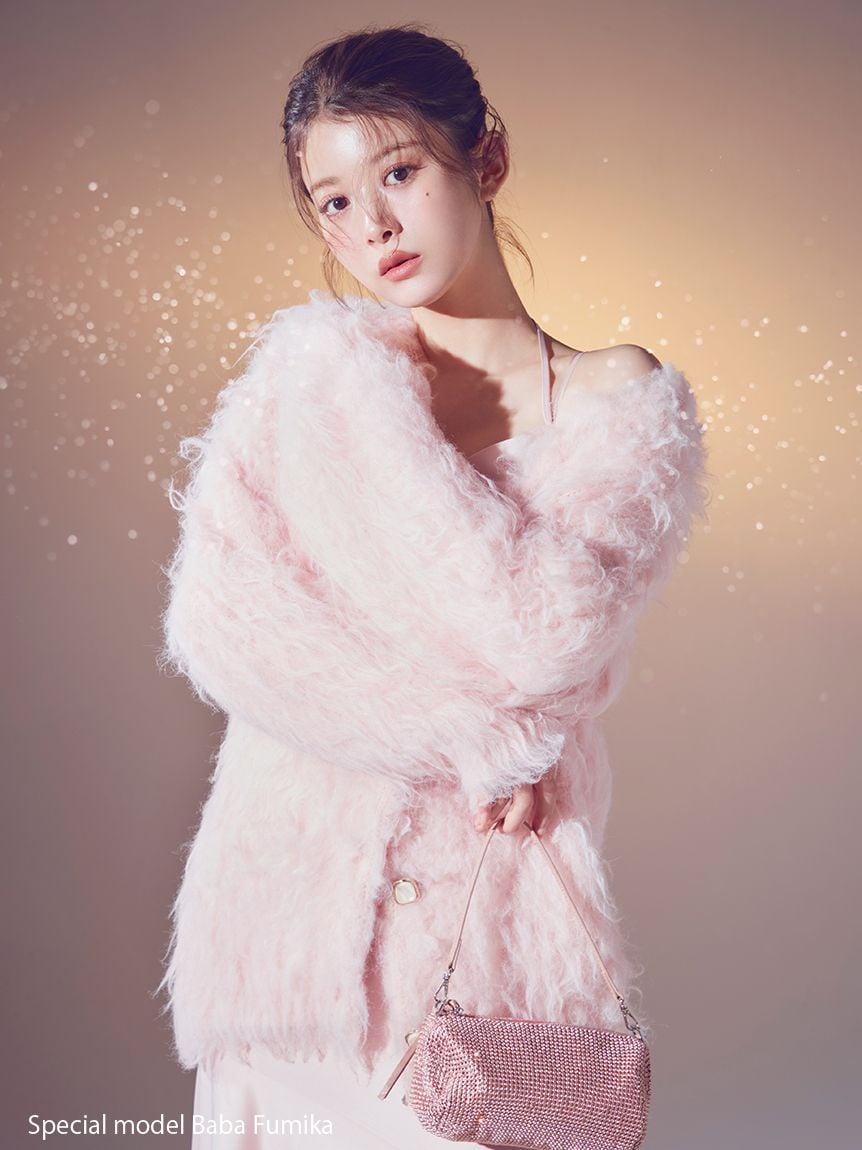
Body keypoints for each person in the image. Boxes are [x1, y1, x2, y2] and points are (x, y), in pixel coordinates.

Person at [155, 21, 710, 1150]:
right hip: (285, 943)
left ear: (485, 158)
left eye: (398, 173)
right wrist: (483, 739)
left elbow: (544, 637)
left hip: (478, 955)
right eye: (335, 201)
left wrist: (438, 679)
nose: (374, 225)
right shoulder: (308, 389)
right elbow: (224, 625)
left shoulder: (615, 400)